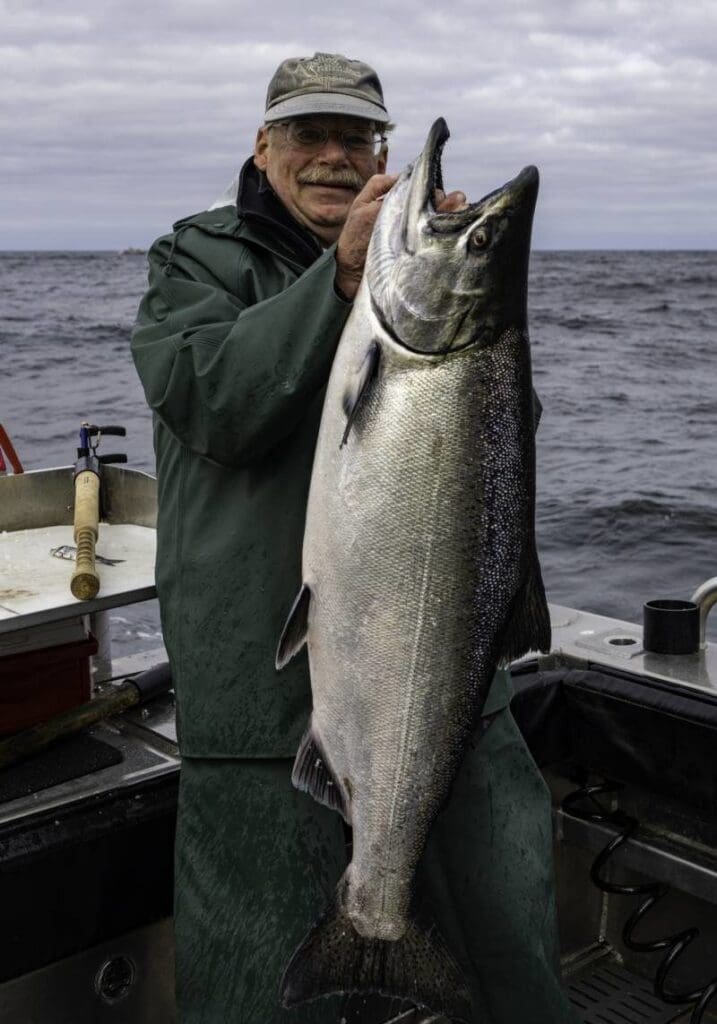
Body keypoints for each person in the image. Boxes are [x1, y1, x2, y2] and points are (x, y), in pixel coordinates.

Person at [132, 52, 579, 1024]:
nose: (334, 155)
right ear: (263, 145)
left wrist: (445, 284)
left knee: (514, 963)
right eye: (309, 134)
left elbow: (500, 449)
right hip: (257, 708)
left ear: (382, 153)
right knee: (255, 996)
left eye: (357, 138)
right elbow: (211, 401)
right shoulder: (194, 263)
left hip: (449, 690)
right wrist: (343, 276)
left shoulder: (411, 281)